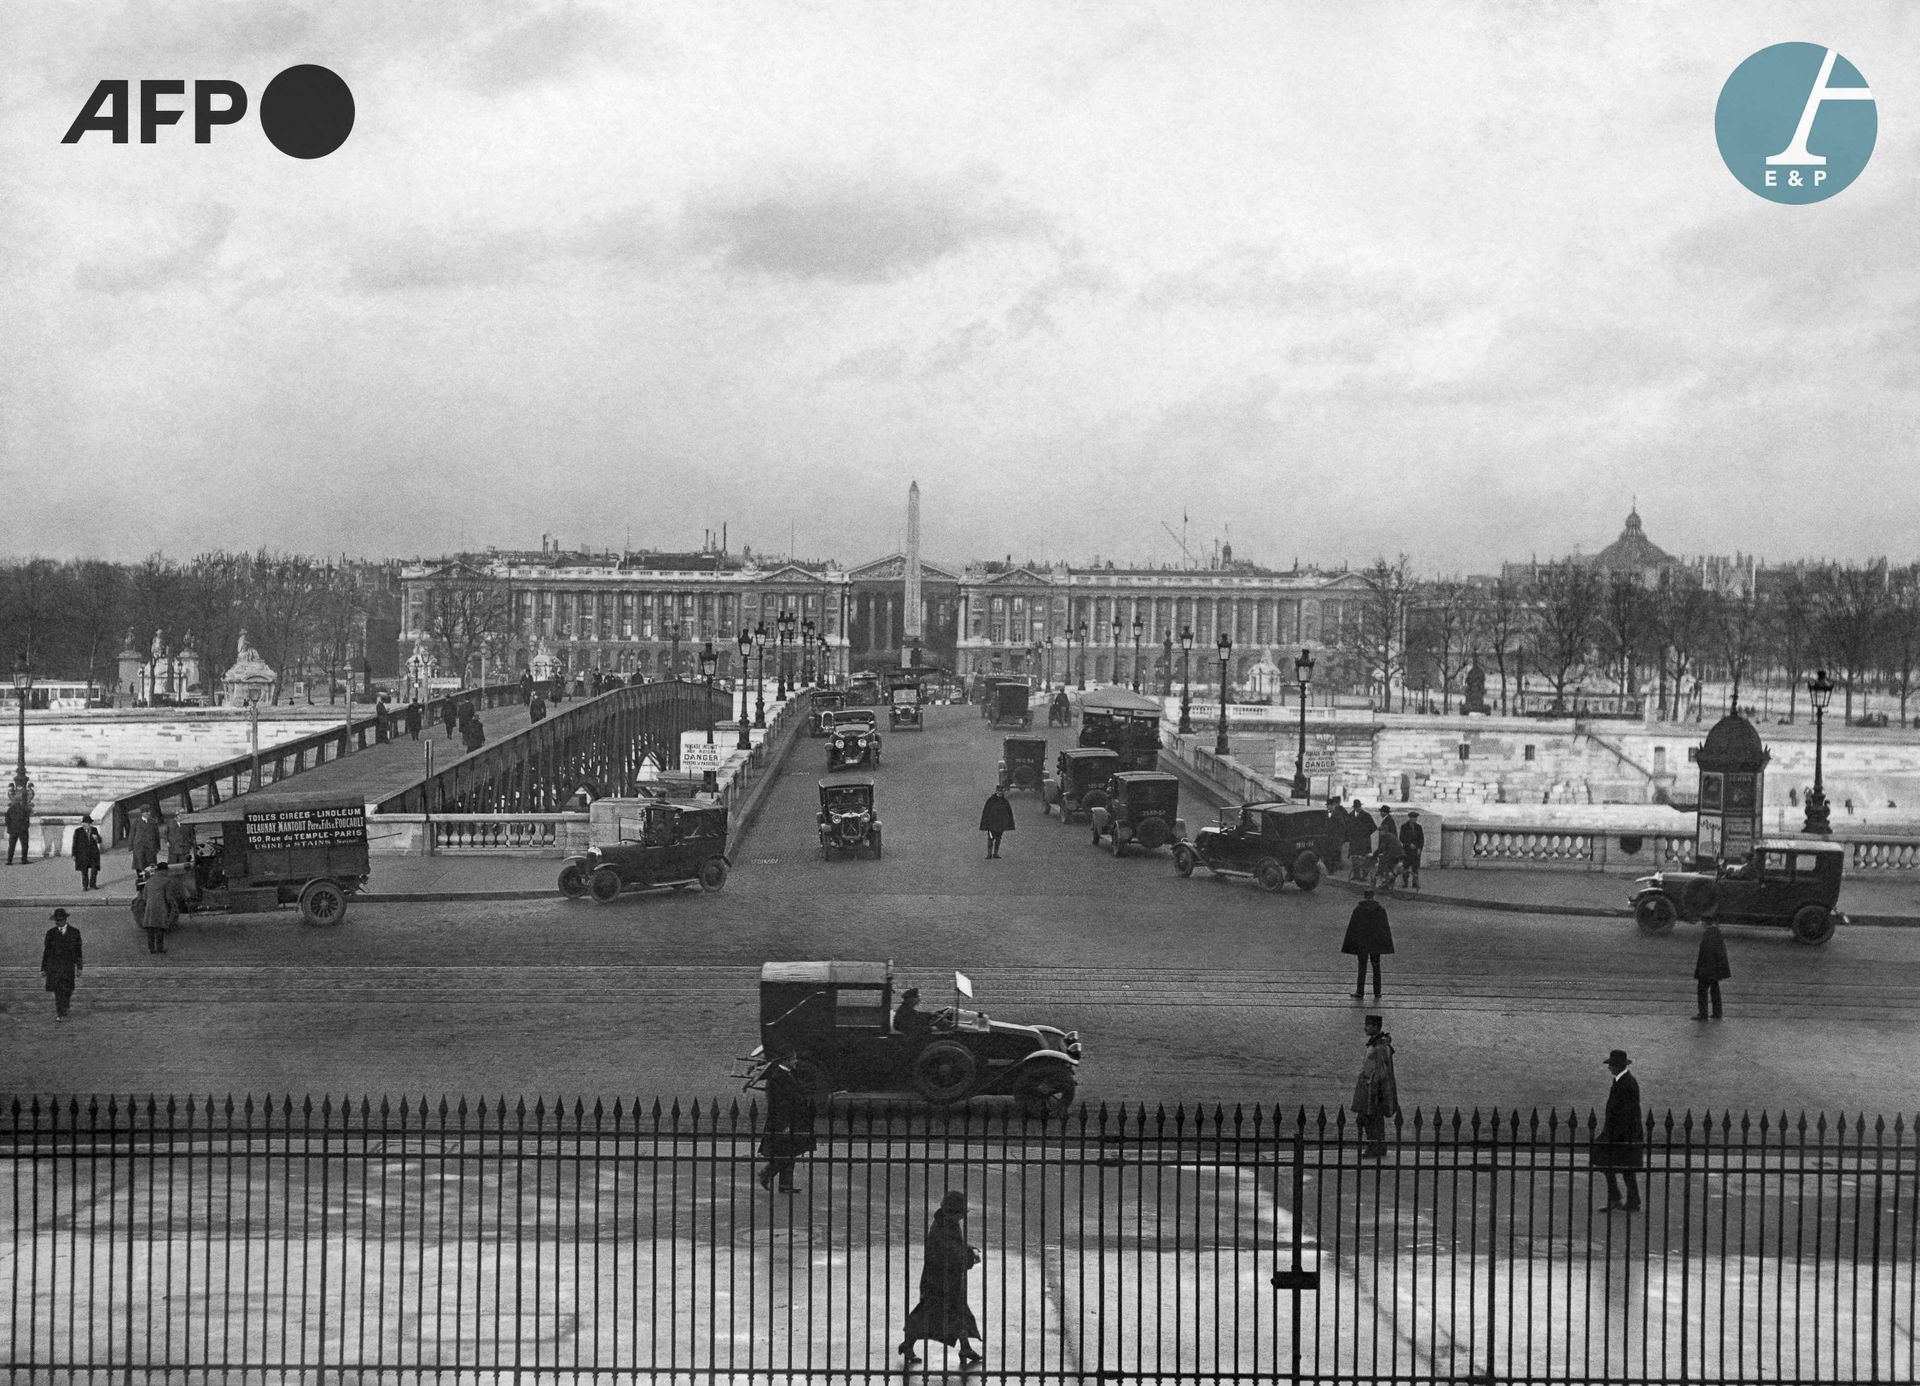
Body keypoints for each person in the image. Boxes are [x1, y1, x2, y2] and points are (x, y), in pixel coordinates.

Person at [898, 1189, 984, 1368]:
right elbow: (950, 1254)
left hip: (947, 1281)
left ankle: (965, 1348)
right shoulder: (942, 1228)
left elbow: (956, 1246)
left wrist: (969, 1249)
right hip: (938, 1282)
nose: (961, 1217)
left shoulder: (946, 1224)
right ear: (953, 1212)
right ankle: (908, 1344)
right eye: (960, 1214)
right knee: (930, 1314)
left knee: (957, 1313)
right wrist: (970, 1257)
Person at [754, 1051, 816, 1194]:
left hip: (793, 1119)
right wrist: (785, 1124)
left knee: (790, 1152)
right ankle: (767, 1173)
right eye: (793, 1059)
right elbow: (779, 1104)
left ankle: (785, 1185)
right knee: (785, 1153)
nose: (796, 1062)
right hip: (784, 1122)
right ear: (785, 1061)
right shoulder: (778, 1078)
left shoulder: (787, 1074)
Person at [1593, 1049, 1645, 1213]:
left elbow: (1625, 1113)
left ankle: (1618, 1198)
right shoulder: (1623, 1081)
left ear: (1618, 1066)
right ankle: (1631, 1200)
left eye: (1611, 1065)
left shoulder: (1626, 1083)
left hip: (1622, 1134)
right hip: (1623, 1133)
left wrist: (1611, 1135)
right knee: (1624, 1168)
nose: (1609, 1068)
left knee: (1610, 1164)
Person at [1351, 1014, 1399, 1159]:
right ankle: (1379, 1147)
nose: (1365, 1027)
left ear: (1376, 1027)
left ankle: (1374, 1147)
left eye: (1368, 1025)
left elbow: (1381, 1070)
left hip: (1373, 1088)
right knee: (1374, 1118)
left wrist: (1372, 1085)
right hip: (1370, 1085)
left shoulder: (1380, 1045)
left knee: (1370, 1118)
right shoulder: (1378, 1043)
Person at [1341, 887, 1394, 1001]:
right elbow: (1385, 929)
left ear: (1364, 897)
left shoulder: (1358, 910)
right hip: (1375, 943)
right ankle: (1377, 992)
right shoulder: (1380, 910)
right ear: (1373, 896)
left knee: (1362, 967)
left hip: (1362, 943)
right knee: (1376, 966)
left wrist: (1352, 944)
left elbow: (1353, 929)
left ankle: (1360, 992)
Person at [41, 908, 83, 1021]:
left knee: (68, 989)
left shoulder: (75, 932)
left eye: (60, 920)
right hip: (54, 967)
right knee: (58, 990)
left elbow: (78, 951)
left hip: (68, 966)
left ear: (65, 920)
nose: (58, 922)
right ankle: (60, 1012)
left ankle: (65, 1006)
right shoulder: (51, 933)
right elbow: (47, 952)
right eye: (56, 920)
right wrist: (44, 968)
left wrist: (79, 967)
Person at [140, 861, 179, 954]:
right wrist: (173, 906)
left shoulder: (149, 881)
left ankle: (151, 949)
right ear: (163, 871)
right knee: (160, 928)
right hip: (161, 907)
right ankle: (160, 948)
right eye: (166, 871)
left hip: (149, 907)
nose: (167, 873)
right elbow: (169, 897)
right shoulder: (167, 881)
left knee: (150, 929)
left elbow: (144, 897)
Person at [1694, 919, 1730, 1020]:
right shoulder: (1717, 933)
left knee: (1702, 990)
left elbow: (1706, 954)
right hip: (1716, 968)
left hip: (1708, 969)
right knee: (1715, 989)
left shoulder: (1708, 935)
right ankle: (1717, 1013)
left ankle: (1703, 1014)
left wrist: (1703, 971)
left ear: (1705, 923)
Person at [979, 785, 1016, 859]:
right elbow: (986, 812)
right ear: (996, 791)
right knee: (990, 838)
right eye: (999, 791)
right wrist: (986, 823)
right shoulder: (991, 801)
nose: (1001, 793)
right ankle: (989, 854)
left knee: (998, 838)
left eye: (1002, 792)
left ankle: (995, 853)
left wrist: (1007, 823)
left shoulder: (1005, 802)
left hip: (1000, 824)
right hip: (991, 824)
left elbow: (1008, 814)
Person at [1344, 800, 1376, 882]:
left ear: (1360, 807)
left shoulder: (1366, 815)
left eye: (1358, 807)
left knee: (1364, 858)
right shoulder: (1350, 815)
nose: (1357, 809)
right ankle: (1356, 875)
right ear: (1354, 807)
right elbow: (1347, 827)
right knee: (1355, 857)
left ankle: (1364, 876)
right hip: (1354, 841)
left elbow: (1373, 827)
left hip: (1364, 841)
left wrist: (1365, 833)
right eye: (1356, 807)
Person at [1373, 807, 1403, 891]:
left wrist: (1374, 854)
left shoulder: (1388, 822)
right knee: (1388, 866)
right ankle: (1388, 882)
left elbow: (1383, 846)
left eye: (1381, 812)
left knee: (1383, 862)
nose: (1380, 814)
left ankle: (1385, 882)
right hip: (1395, 850)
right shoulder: (1388, 821)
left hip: (1393, 851)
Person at [71, 817, 103, 891]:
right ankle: (85, 886)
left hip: (93, 854)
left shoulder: (94, 830)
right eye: (87, 823)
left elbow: (100, 840)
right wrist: (74, 854)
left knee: (94, 870)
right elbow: (75, 843)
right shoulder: (78, 831)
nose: (88, 825)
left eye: (89, 824)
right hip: (83, 854)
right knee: (84, 871)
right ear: (83, 823)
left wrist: (97, 838)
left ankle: (93, 884)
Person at [129, 807, 161, 875]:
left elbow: (157, 835)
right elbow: (132, 835)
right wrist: (131, 846)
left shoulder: (153, 822)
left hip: (151, 847)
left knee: (151, 865)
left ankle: (150, 881)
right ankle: (140, 882)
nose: (148, 813)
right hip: (139, 847)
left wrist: (158, 847)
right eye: (146, 812)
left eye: (149, 811)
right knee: (139, 865)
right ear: (142, 813)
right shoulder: (136, 822)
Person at [1398, 810, 1425, 890]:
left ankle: (1415, 883)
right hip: (1407, 850)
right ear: (1409, 818)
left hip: (1416, 851)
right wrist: (1409, 844)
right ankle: (1405, 883)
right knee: (1405, 867)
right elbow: (1401, 838)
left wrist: (1419, 848)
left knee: (1415, 868)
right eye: (1413, 818)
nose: (1414, 819)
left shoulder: (1419, 827)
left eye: (1415, 818)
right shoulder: (1404, 827)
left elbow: (1421, 839)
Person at [1322, 796, 1348, 871]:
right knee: (1328, 853)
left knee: (1335, 853)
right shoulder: (1325, 813)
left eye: (1328, 805)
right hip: (1328, 837)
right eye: (1327, 806)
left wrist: (1338, 836)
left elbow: (1342, 826)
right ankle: (1330, 868)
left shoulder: (1338, 814)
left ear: (1332, 805)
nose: (1327, 807)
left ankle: (1334, 868)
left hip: (1336, 838)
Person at [5, 794, 31, 865]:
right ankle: (24, 860)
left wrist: (9, 828)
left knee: (11, 846)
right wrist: (26, 827)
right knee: (25, 845)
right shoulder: (24, 809)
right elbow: (27, 820)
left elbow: (7, 821)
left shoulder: (10, 809)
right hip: (22, 830)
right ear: (20, 801)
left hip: (13, 830)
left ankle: (9, 861)